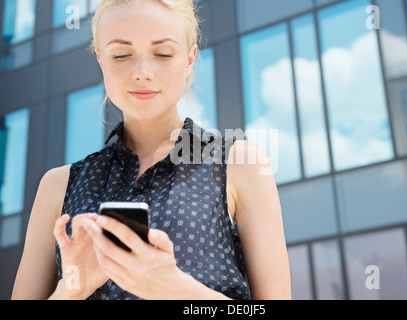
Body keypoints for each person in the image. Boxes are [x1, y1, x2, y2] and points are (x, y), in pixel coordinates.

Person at [11, 0, 291, 300]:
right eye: (121, 54)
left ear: (189, 59)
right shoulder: (58, 185)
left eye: (163, 53)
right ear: (101, 61)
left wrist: (173, 287)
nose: (142, 72)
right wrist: (72, 289)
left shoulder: (238, 164)